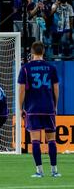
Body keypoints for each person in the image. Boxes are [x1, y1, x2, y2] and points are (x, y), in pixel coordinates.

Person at [18, 41, 61, 178]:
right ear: (43, 51)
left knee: (35, 140)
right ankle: (54, 171)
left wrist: (20, 108)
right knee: (51, 140)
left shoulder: (25, 68)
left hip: (33, 108)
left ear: (31, 52)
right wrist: (55, 105)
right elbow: (55, 88)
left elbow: (22, 90)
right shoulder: (51, 67)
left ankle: (39, 171)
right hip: (48, 107)